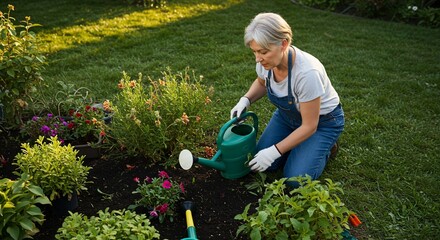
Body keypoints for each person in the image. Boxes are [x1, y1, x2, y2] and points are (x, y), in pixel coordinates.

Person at [230, 13, 344, 188]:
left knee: (294, 179)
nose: (257, 59)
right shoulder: (266, 63)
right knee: (264, 165)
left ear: (283, 43)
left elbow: (309, 126)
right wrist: (245, 100)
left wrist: (274, 151)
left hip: (322, 123)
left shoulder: (307, 74)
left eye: (263, 51)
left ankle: (327, 148)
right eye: (254, 51)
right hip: (287, 117)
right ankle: (297, 147)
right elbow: (261, 82)